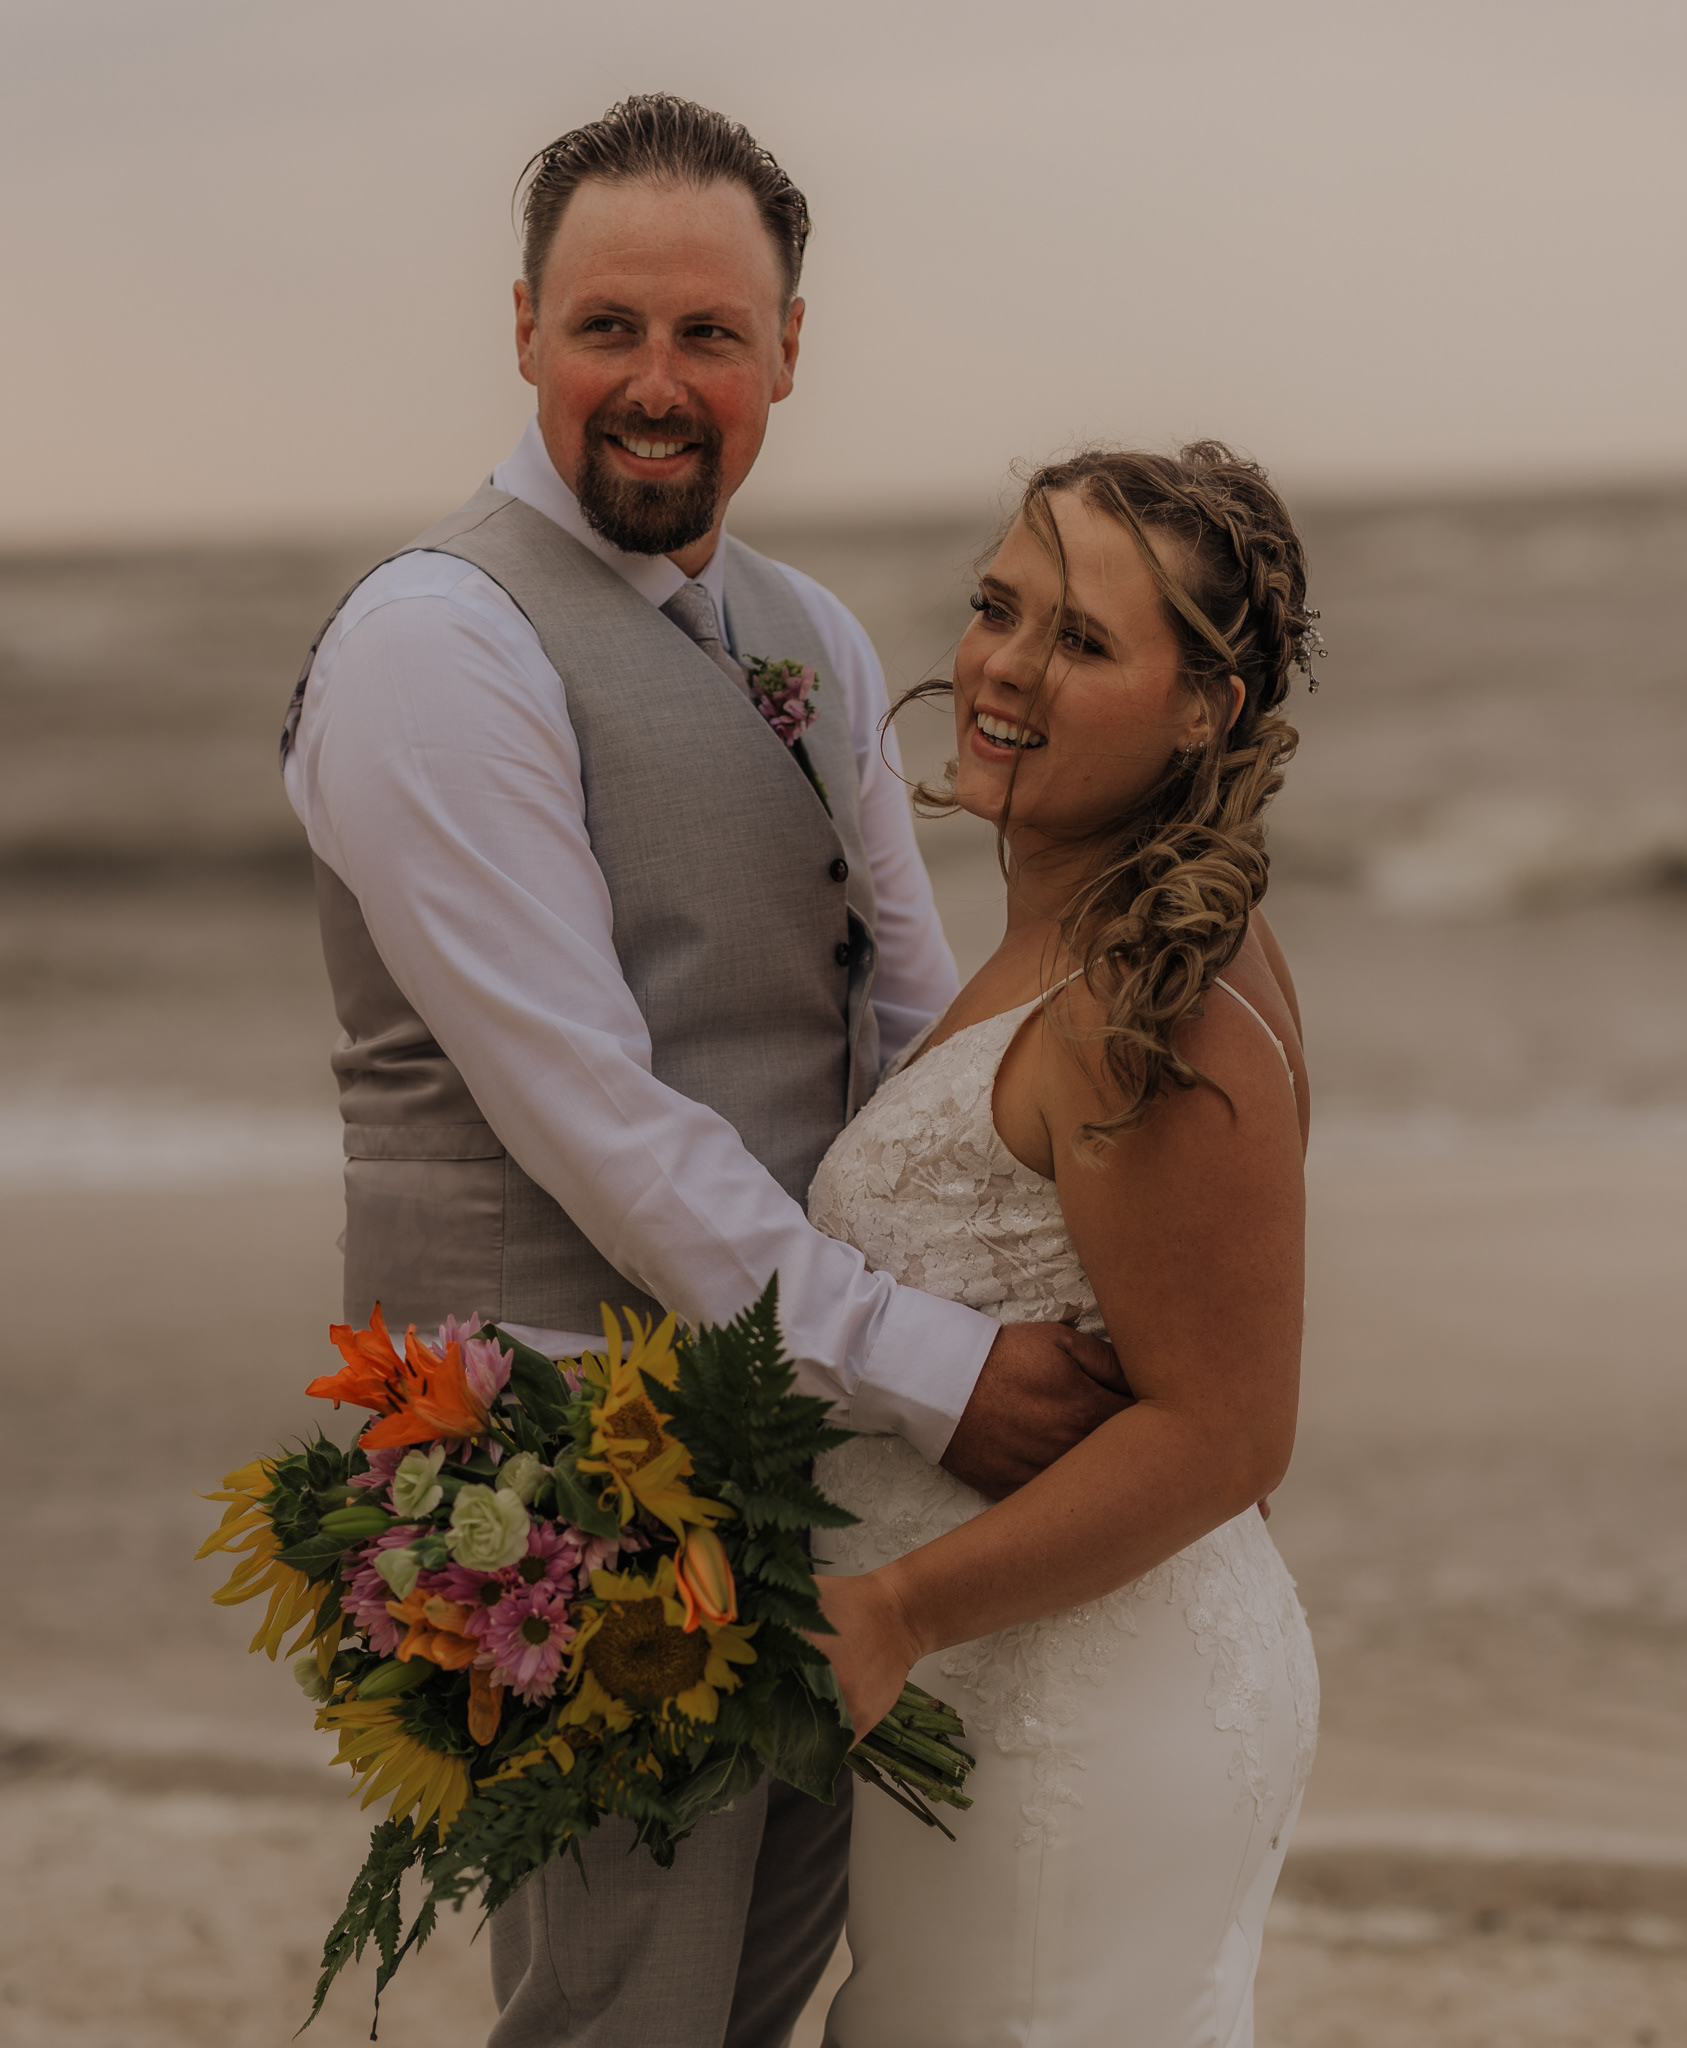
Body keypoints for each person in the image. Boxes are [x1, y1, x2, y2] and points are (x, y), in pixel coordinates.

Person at [280, 95, 1125, 2048]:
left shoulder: (810, 634)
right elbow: (595, 1116)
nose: (657, 384)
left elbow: (914, 1029)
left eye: (709, 334)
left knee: (754, 1995)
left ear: (787, 353)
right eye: (609, 326)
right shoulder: (435, 644)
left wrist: (1079, 1274)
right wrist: (939, 1369)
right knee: (622, 2013)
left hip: (808, 1427)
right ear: (523, 327)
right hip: (551, 1461)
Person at [809, 444, 1321, 2047]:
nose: (1007, 669)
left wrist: (899, 1613)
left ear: (1204, 710)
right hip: (1041, 1694)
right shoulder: (1098, 933)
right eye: (997, 608)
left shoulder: (1144, 997)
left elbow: (1227, 1432)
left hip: (1074, 1718)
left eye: (1084, 641)